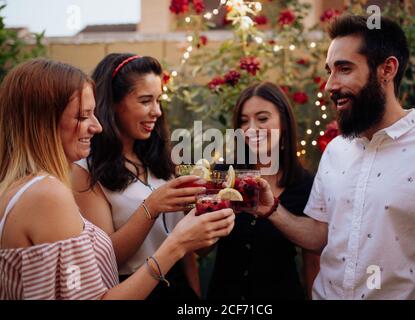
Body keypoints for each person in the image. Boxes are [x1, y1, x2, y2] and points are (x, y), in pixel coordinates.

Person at [0, 58, 235, 300]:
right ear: (43, 123)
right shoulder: (48, 193)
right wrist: (174, 241)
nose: (97, 126)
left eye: (158, 100)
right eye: (83, 116)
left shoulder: (30, 188)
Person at [254, 15, 415, 299]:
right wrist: (272, 210)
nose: (329, 85)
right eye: (329, 71)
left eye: (344, 69)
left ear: (387, 69)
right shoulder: (336, 149)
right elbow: (320, 235)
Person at [71, 53, 211, 300]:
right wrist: (152, 206)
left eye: (159, 100)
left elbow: (187, 247)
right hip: (132, 289)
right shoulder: (85, 170)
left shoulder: (164, 161)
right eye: (145, 100)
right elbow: (105, 258)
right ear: (112, 103)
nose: (156, 111)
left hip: (179, 288)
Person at [206, 82, 320, 300]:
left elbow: (313, 260)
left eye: (262, 118)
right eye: (243, 121)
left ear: (284, 123)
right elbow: (201, 250)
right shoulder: (222, 174)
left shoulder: (305, 183)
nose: (251, 128)